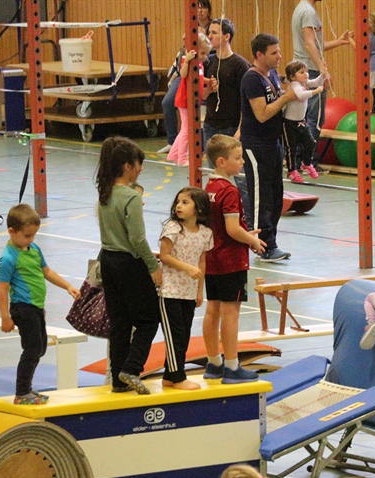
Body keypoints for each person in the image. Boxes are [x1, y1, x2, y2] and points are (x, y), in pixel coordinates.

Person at [96, 137, 162, 395]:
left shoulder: (105, 193)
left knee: (120, 323)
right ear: (127, 166)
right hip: (127, 263)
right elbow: (136, 239)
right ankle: (132, 368)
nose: (141, 169)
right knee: (148, 320)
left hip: (107, 259)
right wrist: (152, 266)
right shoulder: (131, 198)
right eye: (138, 164)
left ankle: (118, 381)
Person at [0, 204, 80, 405]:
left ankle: (26, 389)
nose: (31, 239)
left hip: (36, 308)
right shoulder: (8, 258)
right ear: (12, 231)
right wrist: (5, 318)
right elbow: (2, 289)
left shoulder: (33, 249)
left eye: (34, 235)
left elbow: (47, 272)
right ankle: (21, 392)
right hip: (22, 308)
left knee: (40, 348)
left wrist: (67, 286)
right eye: (27, 236)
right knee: (32, 349)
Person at [202, 135, 265, 384]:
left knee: (212, 310)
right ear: (221, 161)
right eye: (237, 159)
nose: (241, 163)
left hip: (212, 258)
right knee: (230, 313)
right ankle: (232, 366)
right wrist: (252, 241)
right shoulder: (228, 190)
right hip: (230, 260)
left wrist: (243, 232)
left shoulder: (210, 188)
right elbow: (231, 228)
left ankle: (214, 362)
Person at [240, 33, 297, 263]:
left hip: (274, 143)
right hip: (256, 145)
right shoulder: (252, 79)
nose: (279, 57)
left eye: (279, 51)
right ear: (259, 55)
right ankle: (263, 246)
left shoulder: (272, 74)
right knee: (260, 197)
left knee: (275, 196)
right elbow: (262, 114)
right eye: (274, 53)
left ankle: (270, 241)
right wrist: (286, 99)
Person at [158, 186, 214, 390]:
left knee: (184, 334)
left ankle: (168, 376)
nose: (179, 206)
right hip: (169, 291)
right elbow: (165, 256)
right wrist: (187, 268)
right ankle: (178, 375)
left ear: (199, 209)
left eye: (185, 202)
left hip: (189, 292)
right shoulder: (173, 228)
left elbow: (202, 262)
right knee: (174, 334)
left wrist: (200, 291)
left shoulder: (205, 233)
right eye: (178, 202)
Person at [291, 0, 351, 170]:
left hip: (305, 68)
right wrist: (323, 71)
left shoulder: (303, 9)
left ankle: (300, 161)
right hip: (310, 70)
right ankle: (308, 162)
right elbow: (310, 44)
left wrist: (338, 42)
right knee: (314, 119)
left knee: (305, 117)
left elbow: (315, 45)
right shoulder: (308, 12)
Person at [203, 18, 250, 147]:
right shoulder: (208, 62)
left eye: (214, 33)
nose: (210, 36)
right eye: (209, 32)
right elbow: (202, 96)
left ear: (226, 36)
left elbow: (246, 101)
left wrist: (240, 130)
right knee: (213, 167)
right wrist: (209, 89)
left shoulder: (240, 65)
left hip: (231, 126)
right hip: (210, 125)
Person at [167, 33, 211, 166]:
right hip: (186, 99)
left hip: (192, 99)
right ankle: (181, 158)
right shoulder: (189, 60)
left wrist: (209, 82)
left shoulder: (200, 64)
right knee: (187, 129)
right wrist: (186, 61)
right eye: (202, 53)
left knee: (185, 129)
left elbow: (200, 78)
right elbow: (183, 74)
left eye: (206, 54)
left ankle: (173, 154)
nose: (205, 57)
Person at [282, 60, 326, 183]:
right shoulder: (295, 85)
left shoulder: (303, 83)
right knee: (292, 148)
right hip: (290, 124)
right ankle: (291, 170)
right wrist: (316, 91)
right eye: (302, 72)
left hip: (302, 121)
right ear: (292, 77)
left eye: (306, 71)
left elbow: (316, 82)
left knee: (310, 142)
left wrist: (322, 74)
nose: (306, 74)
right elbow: (301, 95)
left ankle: (306, 163)